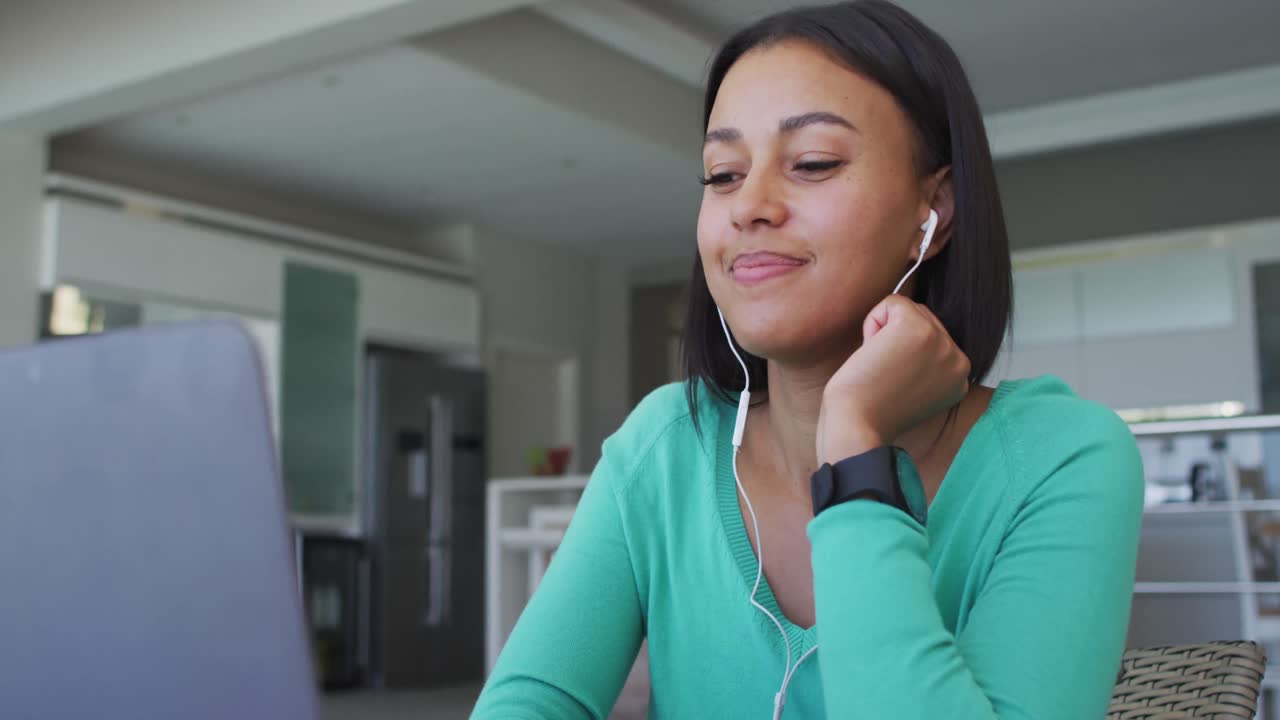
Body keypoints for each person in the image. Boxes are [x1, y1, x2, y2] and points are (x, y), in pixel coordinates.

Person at [472, 2, 1143, 718]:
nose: (749, 206)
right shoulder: (663, 448)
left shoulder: (1061, 458)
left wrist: (855, 447)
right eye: (723, 174)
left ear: (934, 210)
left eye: (813, 163)